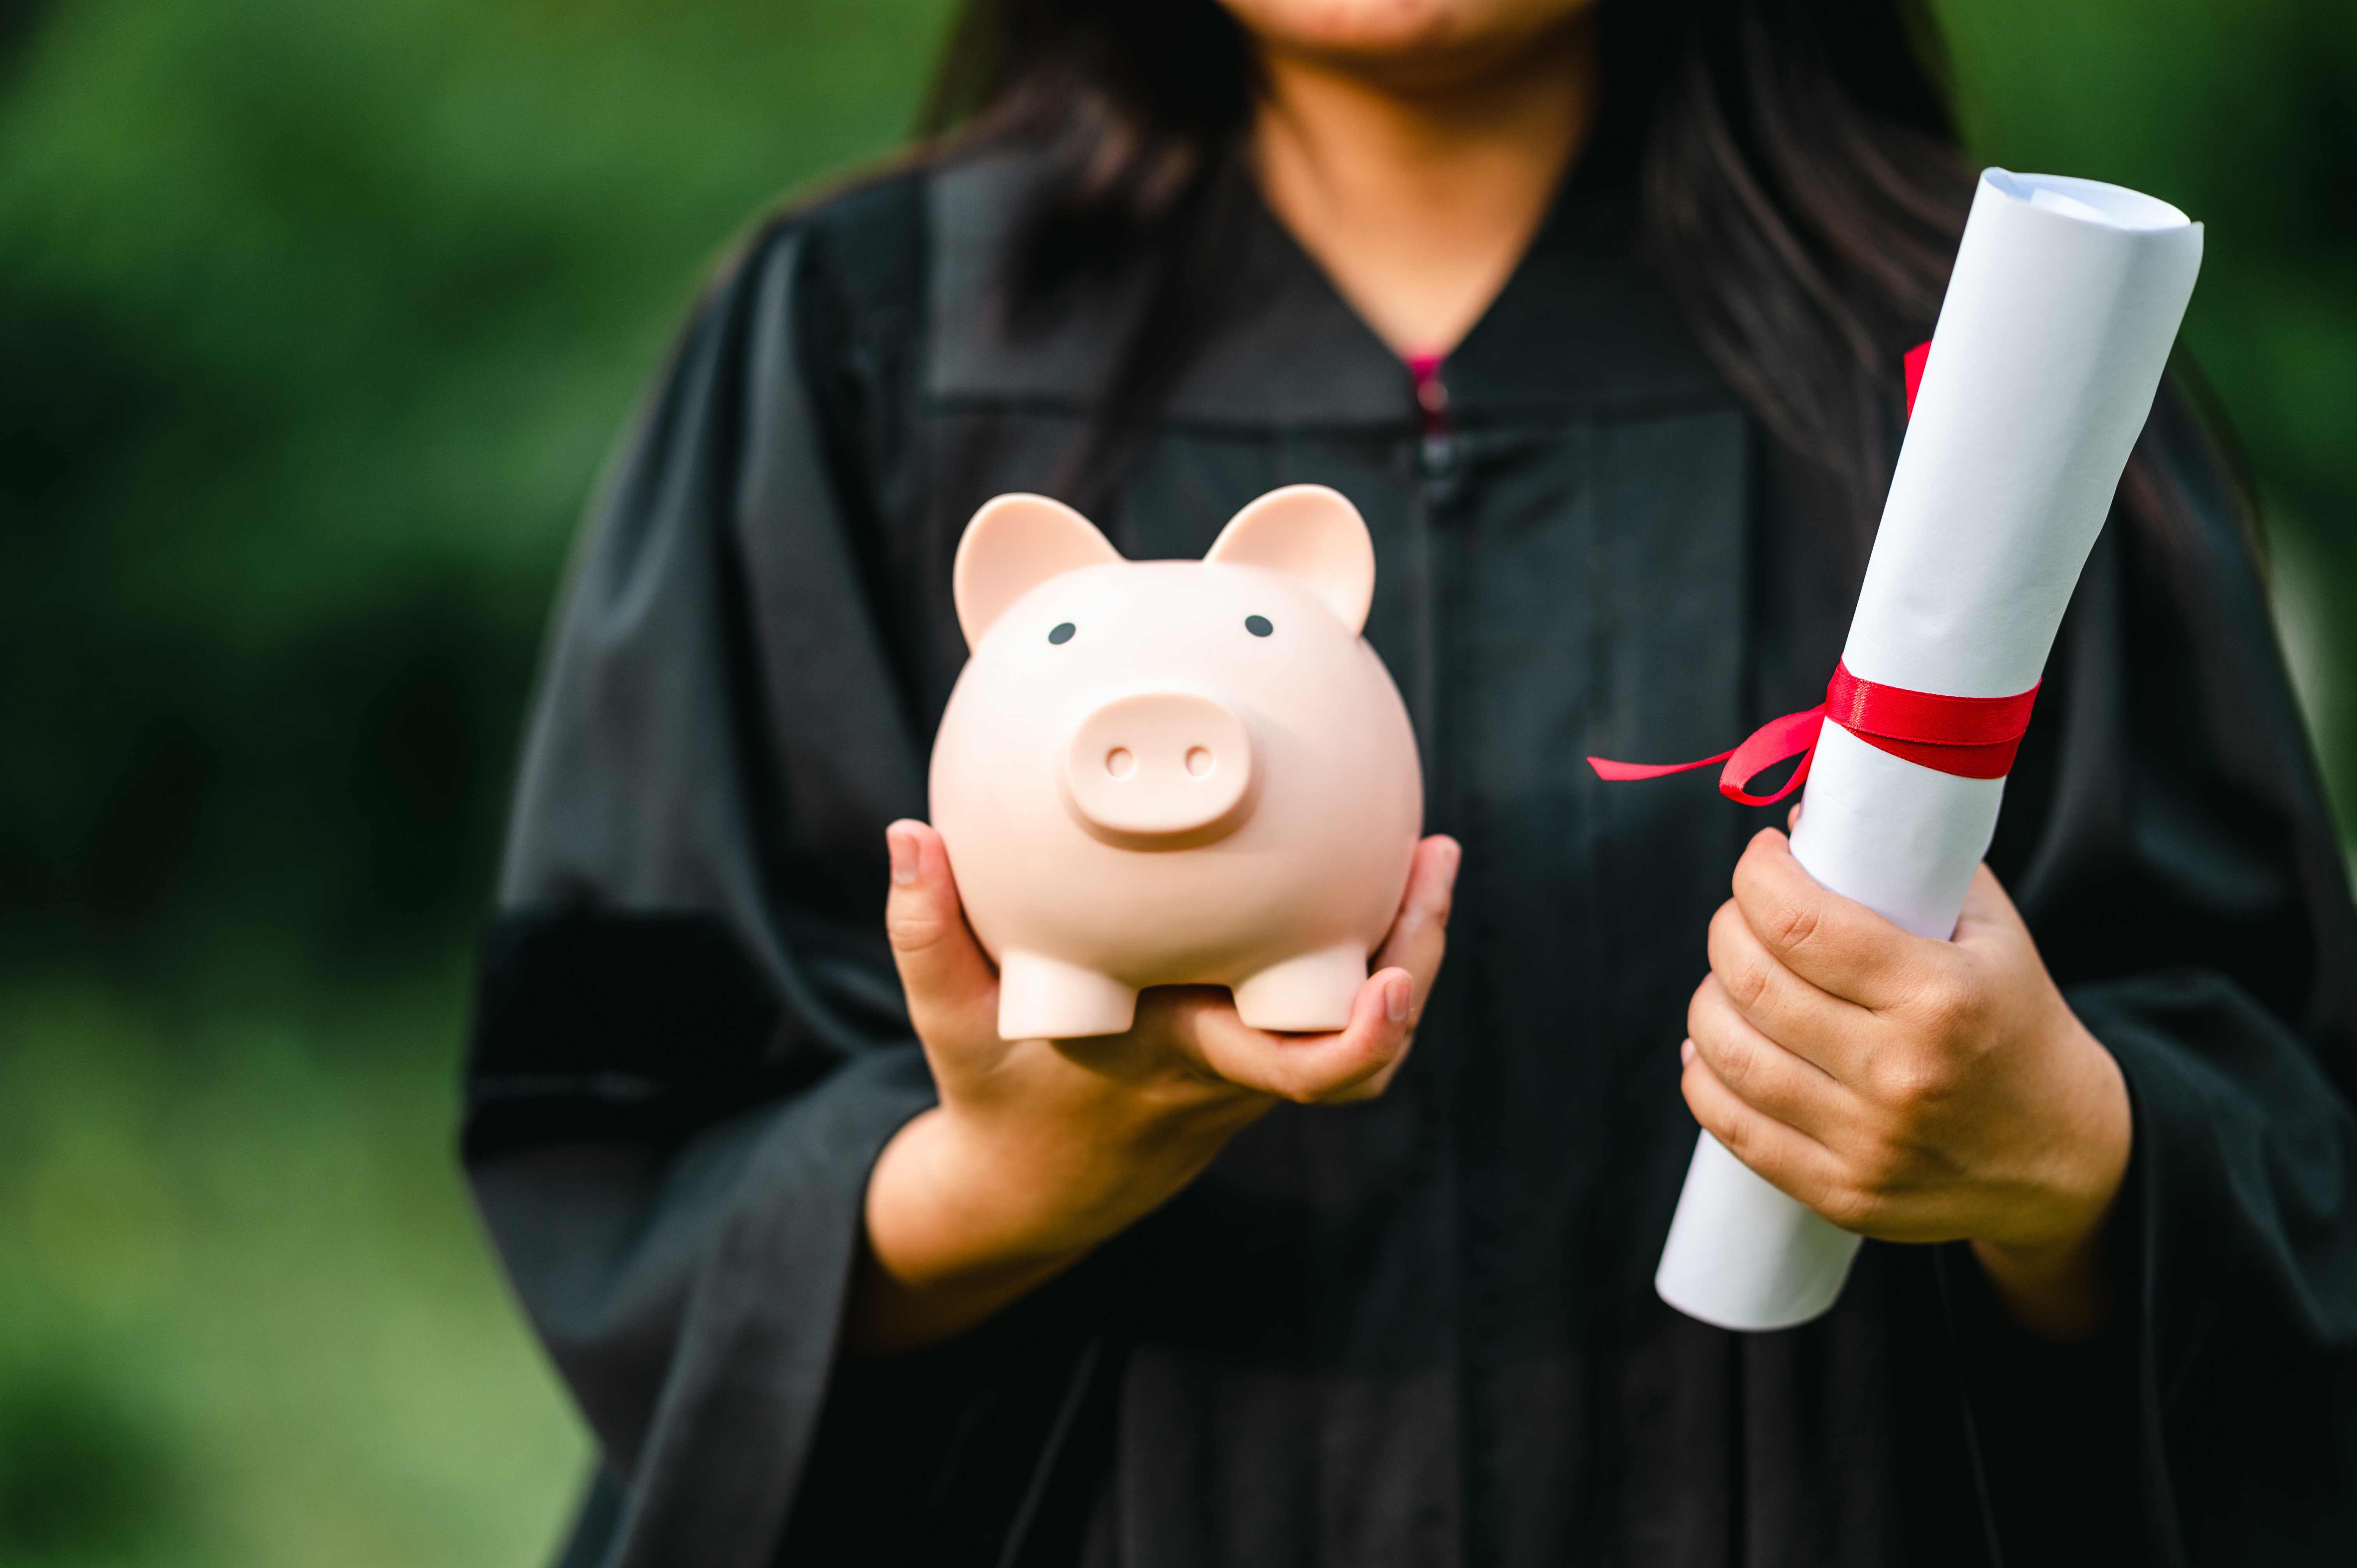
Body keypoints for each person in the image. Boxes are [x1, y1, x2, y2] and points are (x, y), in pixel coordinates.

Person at [459, 0, 2357, 1562]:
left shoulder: (1989, 370)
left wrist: (2068, 1160)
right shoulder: (860, 344)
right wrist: (995, 1182)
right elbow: (632, 1116)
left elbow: (2277, 1106)